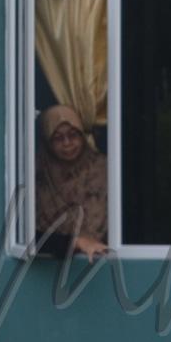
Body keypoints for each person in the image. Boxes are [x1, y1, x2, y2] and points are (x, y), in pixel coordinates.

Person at [36, 105, 109, 257]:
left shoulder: (103, 170)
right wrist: (75, 242)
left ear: (82, 136)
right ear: (48, 142)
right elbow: (28, 238)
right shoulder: (39, 176)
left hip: (103, 259)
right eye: (58, 138)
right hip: (50, 265)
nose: (67, 143)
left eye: (73, 135)